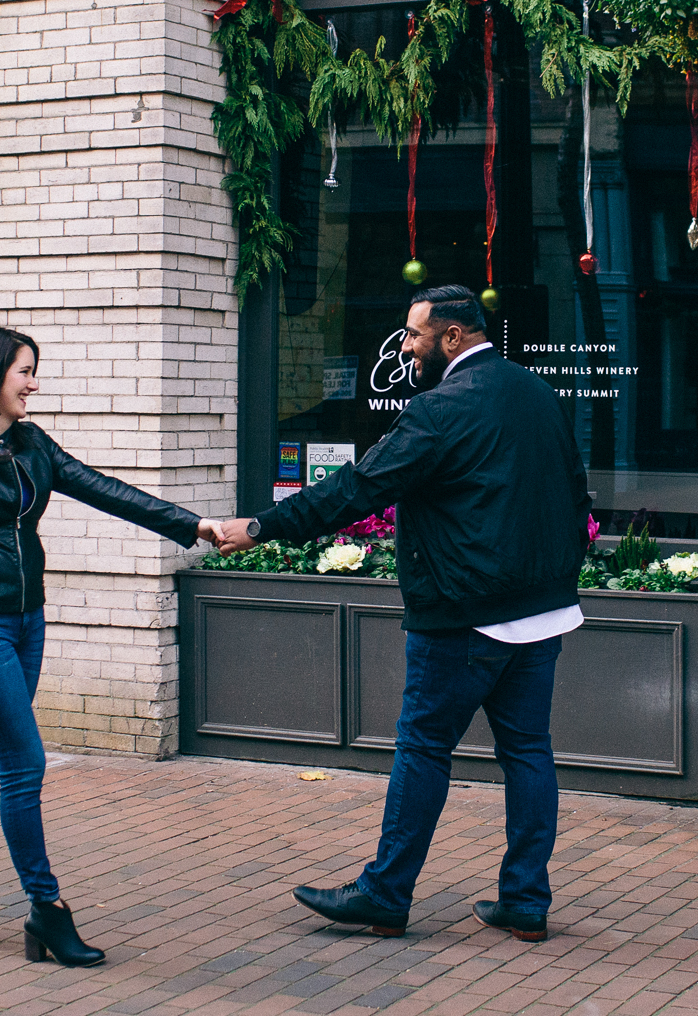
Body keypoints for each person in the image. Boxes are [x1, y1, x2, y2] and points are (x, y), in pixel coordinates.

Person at [212, 285, 591, 943]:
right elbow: (573, 493)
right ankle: (526, 899)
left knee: (423, 749)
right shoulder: (539, 394)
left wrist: (263, 525)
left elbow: (358, 487)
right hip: (542, 616)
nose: (406, 346)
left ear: (451, 337)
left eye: (414, 334)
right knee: (528, 752)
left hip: (462, 617)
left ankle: (386, 892)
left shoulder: (437, 410)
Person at [0, 324, 225, 961]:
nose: (33, 383)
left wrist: (195, 525)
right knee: (26, 764)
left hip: (27, 620)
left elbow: (105, 489)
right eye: (24, 371)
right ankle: (47, 909)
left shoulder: (30, 444)